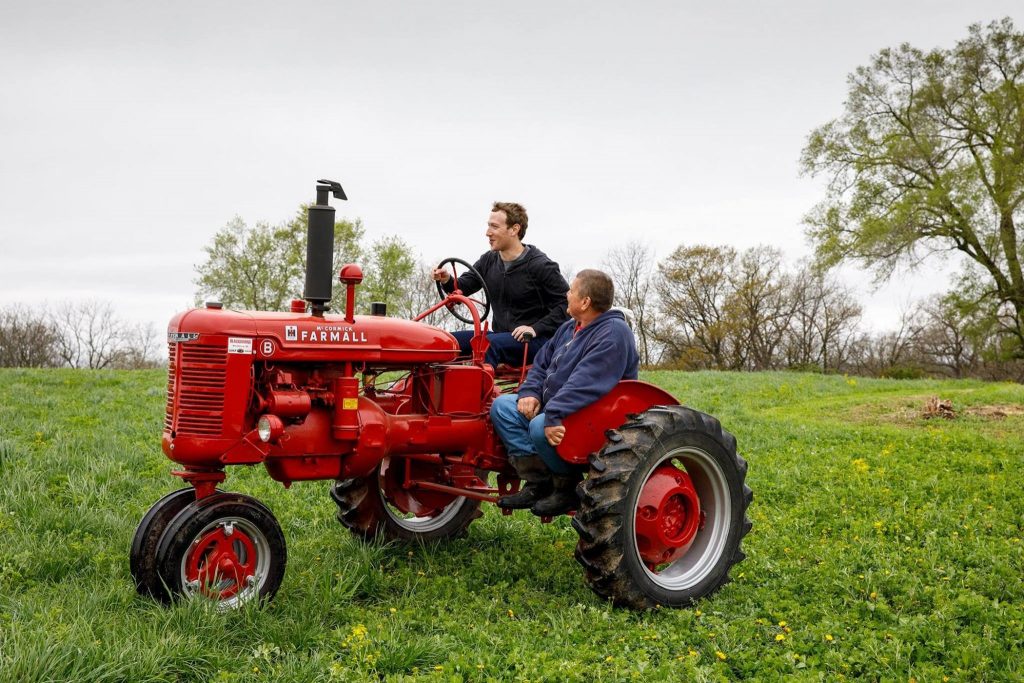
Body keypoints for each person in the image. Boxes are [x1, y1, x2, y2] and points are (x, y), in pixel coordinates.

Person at [489, 269, 640, 516]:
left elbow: (587, 382)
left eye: (571, 290)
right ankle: (538, 482)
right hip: (559, 405)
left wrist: (554, 414)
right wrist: (530, 393)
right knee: (503, 407)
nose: (566, 294)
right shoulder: (570, 327)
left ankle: (566, 486)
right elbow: (541, 363)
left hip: (592, 412)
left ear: (585, 301)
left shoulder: (613, 333)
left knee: (539, 427)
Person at [432, 202, 569, 367]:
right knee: (446, 342)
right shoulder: (489, 260)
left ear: (514, 229)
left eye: (494, 227)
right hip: (501, 336)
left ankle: (473, 392)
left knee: (488, 345)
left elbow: (566, 306)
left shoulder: (540, 266)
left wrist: (535, 328)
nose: (487, 233)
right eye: (488, 226)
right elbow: (463, 287)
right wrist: (446, 279)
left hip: (537, 341)